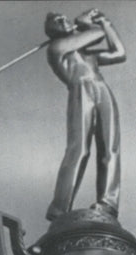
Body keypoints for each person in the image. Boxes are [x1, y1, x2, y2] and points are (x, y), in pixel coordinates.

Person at [44, 8, 125, 221]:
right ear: (52, 32)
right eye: (58, 21)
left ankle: (108, 203)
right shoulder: (57, 47)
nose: (64, 19)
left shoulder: (87, 54)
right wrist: (86, 22)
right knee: (78, 149)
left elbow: (119, 52)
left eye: (64, 17)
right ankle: (60, 207)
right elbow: (96, 34)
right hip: (81, 90)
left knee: (110, 148)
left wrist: (106, 23)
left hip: (102, 88)